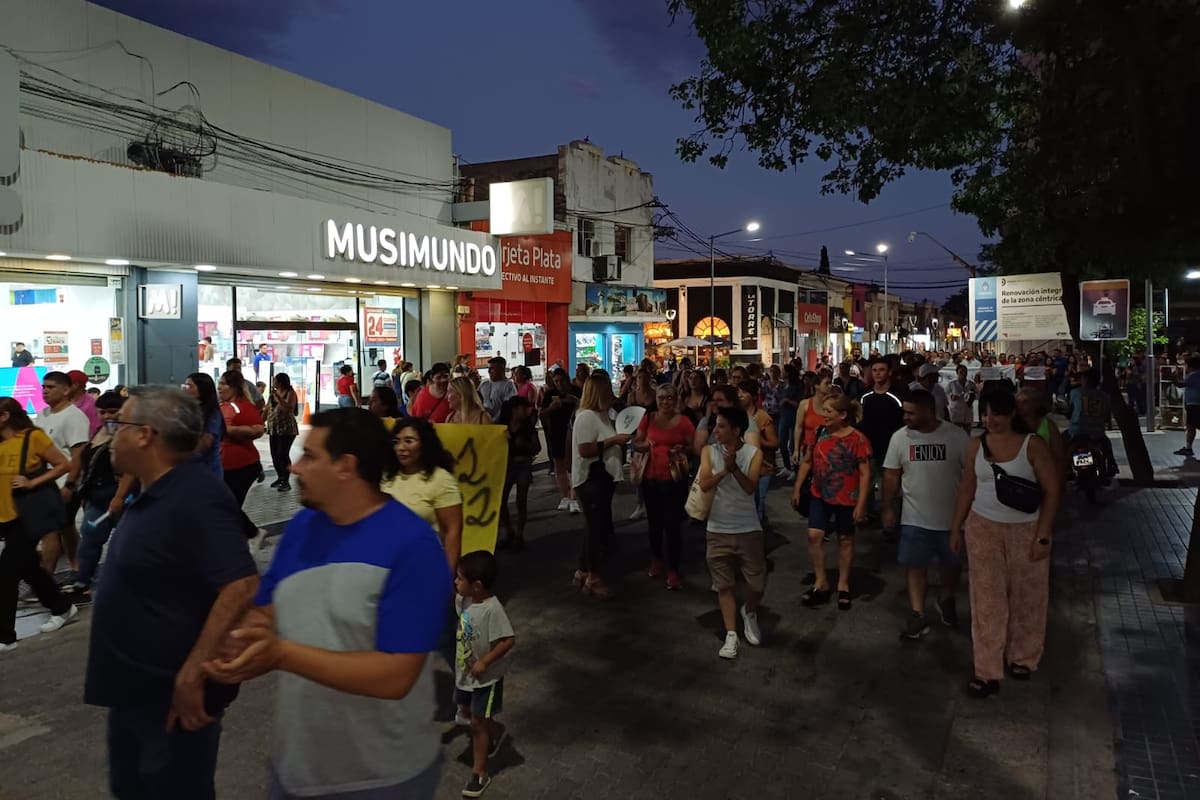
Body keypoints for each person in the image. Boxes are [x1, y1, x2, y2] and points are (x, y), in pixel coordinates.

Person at [203, 408, 451, 799]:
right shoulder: (303, 527)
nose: (295, 468)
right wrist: (238, 643)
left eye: (309, 457)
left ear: (345, 467)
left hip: (383, 779)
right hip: (296, 770)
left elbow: (396, 675)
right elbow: (268, 613)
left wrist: (281, 655)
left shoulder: (413, 546)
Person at [85, 386, 259, 798]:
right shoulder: (154, 492)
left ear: (145, 434)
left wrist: (194, 669)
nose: (110, 435)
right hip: (136, 693)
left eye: (117, 424)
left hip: (170, 701)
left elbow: (240, 583)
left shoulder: (194, 494)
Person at [949, 389, 1061, 698]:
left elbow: (1052, 492)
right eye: (984, 413)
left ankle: (1023, 656)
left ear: (1011, 413)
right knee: (986, 601)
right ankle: (986, 670)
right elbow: (966, 490)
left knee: (1028, 595)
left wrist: (1043, 535)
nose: (989, 420)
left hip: (1026, 528)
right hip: (982, 528)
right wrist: (955, 528)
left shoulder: (1033, 445)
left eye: (996, 413)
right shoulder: (976, 446)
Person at [882, 391, 969, 639]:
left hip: (950, 519)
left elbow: (970, 474)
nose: (905, 417)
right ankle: (918, 612)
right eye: (904, 412)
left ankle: (947, 598)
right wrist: (888, 508)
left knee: (951, 565)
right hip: (914, 518)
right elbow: (891, 475)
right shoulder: (900, 439)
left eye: (911, 412)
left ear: (929, 411)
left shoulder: (956, 436)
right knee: (915, 565)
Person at [0, 397, 77, 653]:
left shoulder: (33, 437)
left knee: (7, 572)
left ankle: (6, 636)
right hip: (4, 517)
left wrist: (32, 483)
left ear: (5, 416)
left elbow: (63, 464)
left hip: (27, 515)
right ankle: (61, 606)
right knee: (29, 568)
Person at [792, 393, 872, 610]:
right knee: (814, 535)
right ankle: (821, 582)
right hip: (819, 494)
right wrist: (798, 487)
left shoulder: (858, 439)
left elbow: (865, 473)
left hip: (847, 497)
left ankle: (843, 584)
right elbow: (808, 462)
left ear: (843, 415)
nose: (824, 415)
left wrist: (862, 503)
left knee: (845, 539)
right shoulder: (819, 433)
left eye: (829, 411)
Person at [697, 405, 765, 660]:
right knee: (723, 585)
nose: (716, 430)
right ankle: (731, 633)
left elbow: (750, 489)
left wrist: (735, 468)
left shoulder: (753, 454)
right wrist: (724, 469)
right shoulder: (708, 452)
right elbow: (704, 484)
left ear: (736, 430)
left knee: (757, 583)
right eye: (716, 424)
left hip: (748, 527)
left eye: (722, 426)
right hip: (717, 528)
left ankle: (750, 611)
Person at [454, 550, 516, 799]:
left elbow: (507, 640)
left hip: (484, 680)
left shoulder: (493, 609)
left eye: (459, 578)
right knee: (468, 714)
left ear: (477, 586)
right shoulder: (464, 599)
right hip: (464, 676)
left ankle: (479, 772)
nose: (455, 582)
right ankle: (495, 730)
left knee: (478, 724)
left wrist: (485, 661)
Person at [72, 391, 138, 597]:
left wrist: (119, 497)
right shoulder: (98, 433)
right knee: (89, 541)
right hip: (97, 498)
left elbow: (130, 470)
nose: (108, 416)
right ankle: (83, 581)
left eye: (113, 411)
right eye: (103, 412)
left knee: (127, 544)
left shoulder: (126, 435)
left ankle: (130, 584)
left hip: (122, 497)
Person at [633, 384, 696, 590]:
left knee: (673, 526)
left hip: (674, 480)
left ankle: (673, 569)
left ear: (675, 399)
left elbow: (693, 446)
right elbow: (636, 442)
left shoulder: (684, 422)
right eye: (661, 398)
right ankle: (656, 558)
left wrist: (682, 449)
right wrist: (645, 445)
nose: (665, 402)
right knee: (654, 524)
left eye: (669, 398)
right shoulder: (648, 418)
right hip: (651, 478)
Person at [571, 373, 628, 597]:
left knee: (595, 527)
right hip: (592, 479)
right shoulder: (587, 417)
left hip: (602, 478)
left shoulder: (601, 415)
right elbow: (585, 450)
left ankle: (583, 570)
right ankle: (592, 575)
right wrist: (614, 440)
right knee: (595, 528)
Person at [384, 417, 463, 574]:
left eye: (409, 441)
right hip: (387, 565)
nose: (401, 447)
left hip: (423, 566)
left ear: (425, 445)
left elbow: (452, 531)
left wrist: (447, 576)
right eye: (397, 441)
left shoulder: (440, 479)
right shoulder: (386, 476)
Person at [36, 370, 91, 579]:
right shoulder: (43, 414)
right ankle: (77, 565)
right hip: (44, 480)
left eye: (51, 387)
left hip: (63, 482)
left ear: (66, 390)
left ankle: (46, 580)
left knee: (51, 531)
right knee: (66, 527)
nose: (45, 391)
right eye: (43, 387)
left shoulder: (74, 417)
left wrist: (69, 485)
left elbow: (77, 455)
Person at [858, 359, 905, 530]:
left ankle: (890, 522)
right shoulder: (865, 396)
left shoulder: (896, 398)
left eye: (881, 370)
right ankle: (867, 515)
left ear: (889, 372)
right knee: (867, 485)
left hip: (890, 450)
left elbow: (903, 424)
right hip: (869, 450)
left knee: (890, 489)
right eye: (875, 370)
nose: (877, 373)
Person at [497, 397, 540, 551]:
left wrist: (524, 444)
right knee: (501, 500)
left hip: (522, 464)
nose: (527, 411)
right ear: (515, 409)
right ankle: (510, 531)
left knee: (521, 501)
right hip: (508, 464)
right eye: (524, 408)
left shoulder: (527, 426)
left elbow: (536, 447)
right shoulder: (502, 425)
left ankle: (518, 535)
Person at [217, 370, 265, 507]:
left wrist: (227, 430)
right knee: (227, 505)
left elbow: (258, 430)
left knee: (229, 505)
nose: (219, 387)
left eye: (223, 384)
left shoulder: (243, 407)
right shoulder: (222, 406)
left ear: (234, 387)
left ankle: (250, 529)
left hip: (240, 466)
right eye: (219, 384)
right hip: (225, 465)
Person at [539, 369, 581, 514]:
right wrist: (552, 408)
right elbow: (542, 413)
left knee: (573, 464)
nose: (559, 384)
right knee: (559, 464)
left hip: (574, 432)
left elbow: (586, 407)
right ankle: (564, 496)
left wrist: (575, 402)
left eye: (561, 380)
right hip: (556, 432)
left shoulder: (576, 391)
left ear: (567, 379)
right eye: (556, 381)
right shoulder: (550, 394)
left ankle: (573, 496)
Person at [737, 380, 778, 521]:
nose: (740, 395)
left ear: (754, 397)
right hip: (742, 468)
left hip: (763, 468)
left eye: (744, 393)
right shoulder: (736, 417)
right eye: (739, 392)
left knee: (758, 504)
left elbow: (774, 443)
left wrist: (760, 440)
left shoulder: (762, 417)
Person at [1066, 369, 1117, 476]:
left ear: (1085, 380)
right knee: (1107, 446)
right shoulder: (1104, 396)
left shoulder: (1075, 392)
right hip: (1097, 432)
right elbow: (1107, 416)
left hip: (1077, 430)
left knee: (1062, 444)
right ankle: (1112, 465)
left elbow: (1069, 411)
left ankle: (1066, 468)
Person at [184, 373, 224, 478]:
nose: (185, 389)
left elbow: (204, 445)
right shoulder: (189, 410)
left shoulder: (212, 414)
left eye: (190, 386)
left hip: (208, 472)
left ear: (202, 389)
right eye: (185, 385)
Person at [793, 368, 835, 466]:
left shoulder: (833, 406)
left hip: (828, 451)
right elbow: (798, 428)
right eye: (826, 383)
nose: (830, 386)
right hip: (808, 451)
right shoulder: (805, 404)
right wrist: (796, 450)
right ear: (817, 386)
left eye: (830, 383)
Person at [267, 373, 299, 492]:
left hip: (287, 428)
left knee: (282, 453)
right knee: (274, 454)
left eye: (275, 380)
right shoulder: (272, 394)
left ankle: (286, 480)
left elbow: (289, 407)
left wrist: (278, 397)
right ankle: (280, 477)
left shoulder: (290, 393)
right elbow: (267, 409)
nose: (274, 382)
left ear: (280, 382)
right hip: (274, 427)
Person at [776, 364, 803, 480]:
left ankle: (795, 468)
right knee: (782, 443)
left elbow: (800, 403)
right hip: (783, 417)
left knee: (793, 446)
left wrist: (788, 401)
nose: (781, 373)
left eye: (783, 371)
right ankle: (787, 466)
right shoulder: (781, 386)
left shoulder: (797, 386)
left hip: (793, 418)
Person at [1175, 356, 1200, 456]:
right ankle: (1188, 448)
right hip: (1195, 404)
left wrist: (1173, 377)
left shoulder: (1193, 376)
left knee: (1191, 426)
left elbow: (1180, 384)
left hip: (1194, 405)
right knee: (1192, 426)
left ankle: (1188, 448)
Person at [68, 369, 103, 437]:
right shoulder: (64, 400)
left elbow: (93, 431)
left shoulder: (91, 405)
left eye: (66, 384)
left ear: (76, 385)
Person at [948, 364, 976, 434]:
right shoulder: (952, 384)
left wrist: (972, 396)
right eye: (961, 372)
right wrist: (952, 397)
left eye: (965, 372)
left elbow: (977, 395)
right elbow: (946, 394)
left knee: (967, 435)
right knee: (955, 435)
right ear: (957, 373)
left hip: (967, 412)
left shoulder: (971, 384)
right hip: (956, 412)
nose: (963, 374)